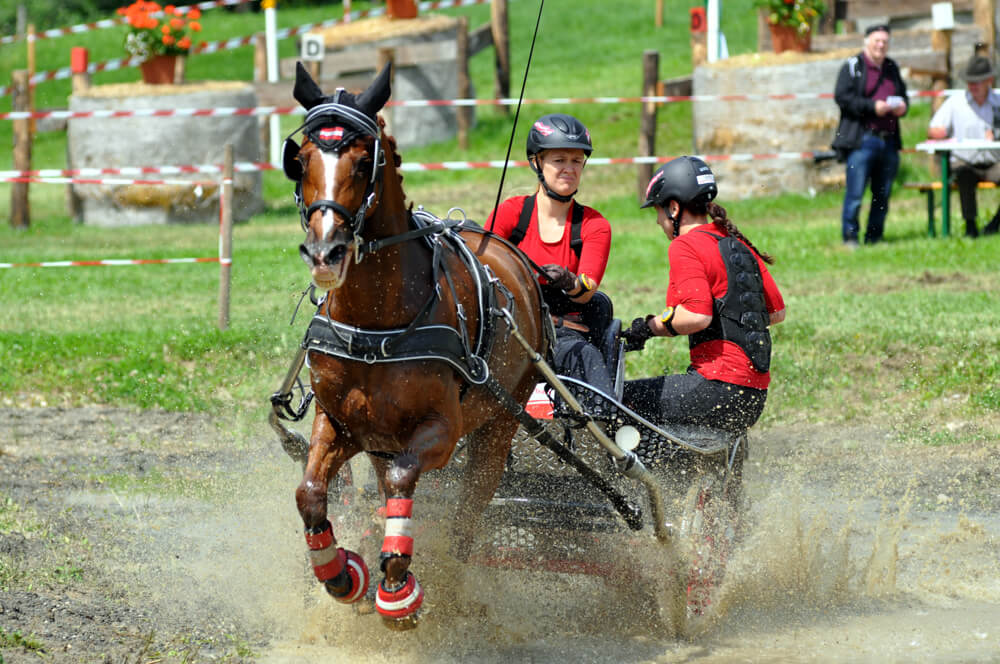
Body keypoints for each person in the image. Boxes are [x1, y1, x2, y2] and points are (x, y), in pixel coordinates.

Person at [620, 156, 786, 434]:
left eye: (658, 212)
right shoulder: (735, 242)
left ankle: (633, 474)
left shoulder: (685, 245)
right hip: (753, 396)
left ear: (673, 208)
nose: (659, 221)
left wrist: (647, 328)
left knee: (618, 400)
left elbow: (696, 316)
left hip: (716, 389)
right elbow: (776, 313)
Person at [487, 113, 615, 402]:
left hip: (563, 337)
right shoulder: (510, 213)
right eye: (559, 160)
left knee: (586, 355)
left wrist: (568, 280)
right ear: (536, 162)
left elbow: (586, 291)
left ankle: (607, 428)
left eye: (576, 161)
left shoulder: (595, 225)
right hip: (507, 330)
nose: (569, 169)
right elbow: (482, 274)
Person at [832, 23, 908, 247]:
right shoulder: (853, 66)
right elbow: (842, 98)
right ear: (867, 42)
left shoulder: (892, 67)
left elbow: (904, 96)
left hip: (889, 140)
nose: (881, 45)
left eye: (885, 42)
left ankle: (875, 238)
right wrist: (872, 107)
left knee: (882, 195)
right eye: (877, 41)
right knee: (855, 193)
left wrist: (903, 107)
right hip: (862, 140)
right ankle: (850, 237)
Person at [927, 54, 1000, 237]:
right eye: (970, 82)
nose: (972, 86)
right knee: (963, 174)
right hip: (964, 160)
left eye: (977, 82)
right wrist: (939, 133)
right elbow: (933, 129)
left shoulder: (998, 102)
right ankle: (970, 225)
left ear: (989, 81)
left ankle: (996, 222)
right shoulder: (955, 102)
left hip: (993, 161)